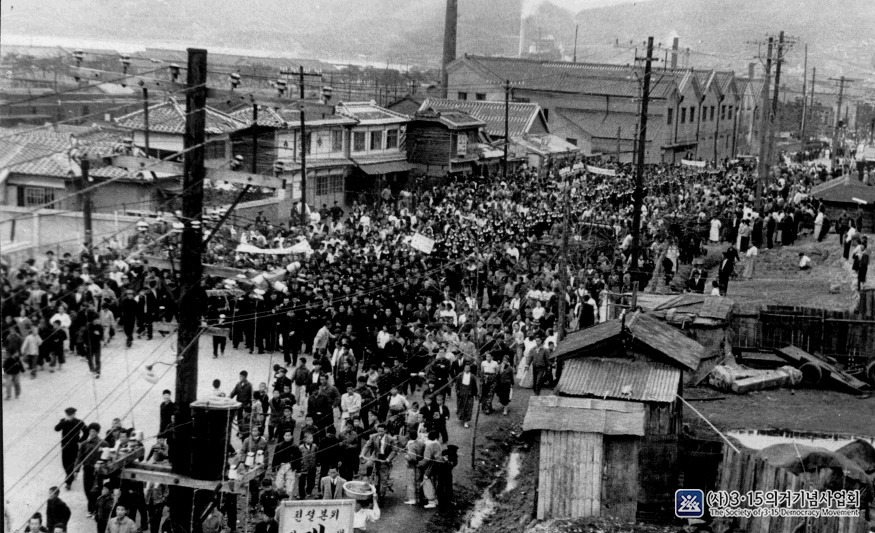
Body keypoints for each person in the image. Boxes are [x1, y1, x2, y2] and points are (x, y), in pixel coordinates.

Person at [54, 407, 86, 490]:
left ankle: (68, 482)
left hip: (74, 446)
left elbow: (86, 431)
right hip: (64, 446)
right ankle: (70, 476)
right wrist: (64, 421)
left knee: (71, 464)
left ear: (74, 414)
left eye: (71, 415)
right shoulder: (63, 421)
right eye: (68, 415)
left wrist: (80, 440)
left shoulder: (79, 422)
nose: (69, 416)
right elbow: (56, 429)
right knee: (64, 463)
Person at [79, 422, 107, 516]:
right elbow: (79, 457)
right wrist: (76, 470)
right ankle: (93, 507)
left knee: (97, 489)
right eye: (91, 431)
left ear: (97, 432)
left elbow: (106, 456)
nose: (92, 433)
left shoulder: (102, 443)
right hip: (87, 469)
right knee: (87, 489)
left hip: (97, 470)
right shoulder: (84, 444)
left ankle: (92, 510)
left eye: (94, 431)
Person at [273, 428, 301, 498]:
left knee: (290, 486)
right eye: (286, 435)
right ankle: (279, 500)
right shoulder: (279, 446)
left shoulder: (295, 447)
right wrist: (273, 469)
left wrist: (298, 470)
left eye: (289, 435)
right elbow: (275, 458)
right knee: (279, 485)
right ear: (283, 436)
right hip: (281, 466)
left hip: (291, 467)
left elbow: (298, 459)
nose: (287, 437)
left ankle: (289, 501)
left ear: (291, 436)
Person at [454, 363, 477, 428]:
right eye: (466, 368)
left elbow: (474, 386)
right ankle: (462, 417)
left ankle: (466, 421)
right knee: (461, 406)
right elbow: (457, 384)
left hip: (469, 393)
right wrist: (457, 391)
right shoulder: (460, 375)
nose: (467, 369)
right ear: (464, 368)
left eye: (468, 368)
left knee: (469, 407)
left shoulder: (472, 376)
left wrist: (475, 394)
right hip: (462, 392)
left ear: (470, 369)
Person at [298, 431, 319, 499]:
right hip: (303, 467)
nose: (311, 440)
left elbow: (317, 454)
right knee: (302, 482)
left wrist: (317, 462)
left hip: (312, 467)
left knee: (311, 480)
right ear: (305, 439)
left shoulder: (314, 446)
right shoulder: (301, 447)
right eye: (309, 438)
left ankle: (309, 491)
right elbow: (298, 457)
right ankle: (301, 494)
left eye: (311, 438)